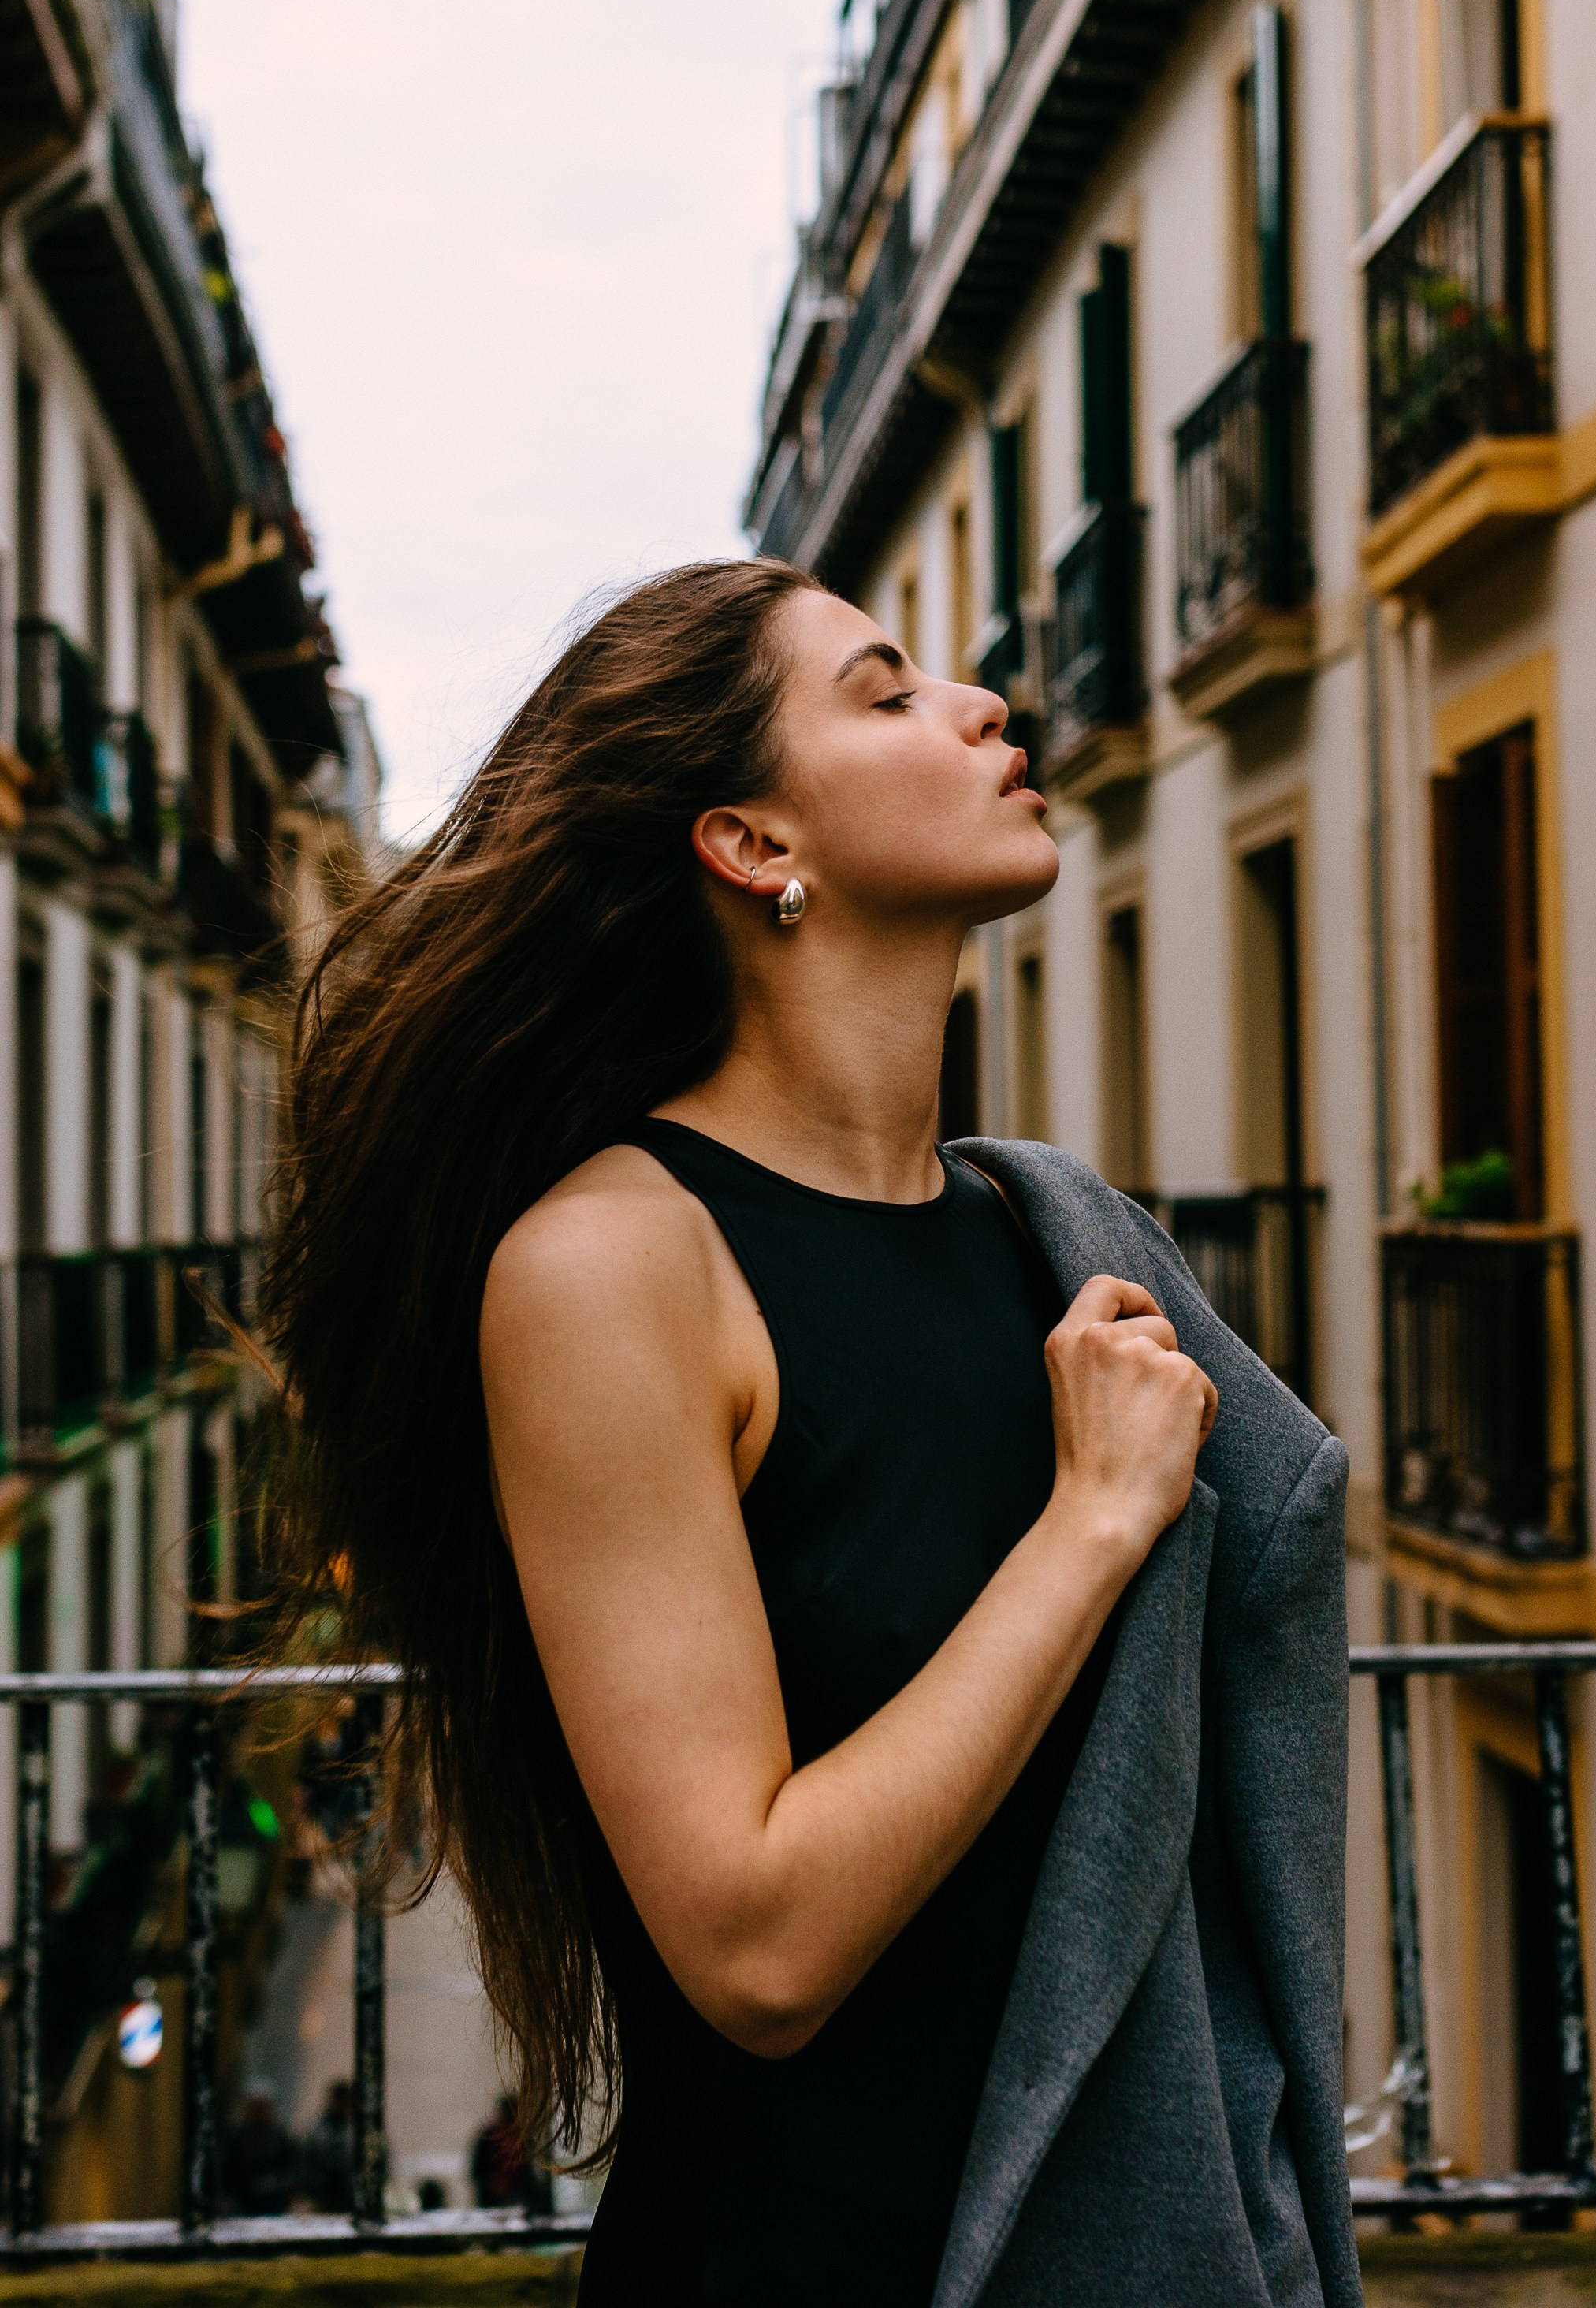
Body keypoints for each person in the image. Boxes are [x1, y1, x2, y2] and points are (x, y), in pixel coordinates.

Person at [265, 561, 1359, 2306]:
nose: (981, 703)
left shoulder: (1052, 1251)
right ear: (754, 844)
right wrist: (1088, 1528)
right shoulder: (615, 1264)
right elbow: (759, 1942)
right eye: (885, 689)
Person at [223, 2083, 298, 2217]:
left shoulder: (280, 2137)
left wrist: (276, 2183)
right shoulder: (237, 2137)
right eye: (255, 2107)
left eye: (262, 2107)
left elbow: (291, 2168)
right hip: (243, 2201)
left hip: (273, 2201)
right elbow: (228, 2168)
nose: (258, 2112)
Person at [300, 2077, 354, 2214]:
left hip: (351, 2194)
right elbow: (306, 2161)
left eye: (344, 2100)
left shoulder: (360, 2129)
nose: (340, 2105)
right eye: (338, 2100)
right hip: (322, 2196)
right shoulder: (316, 2129)